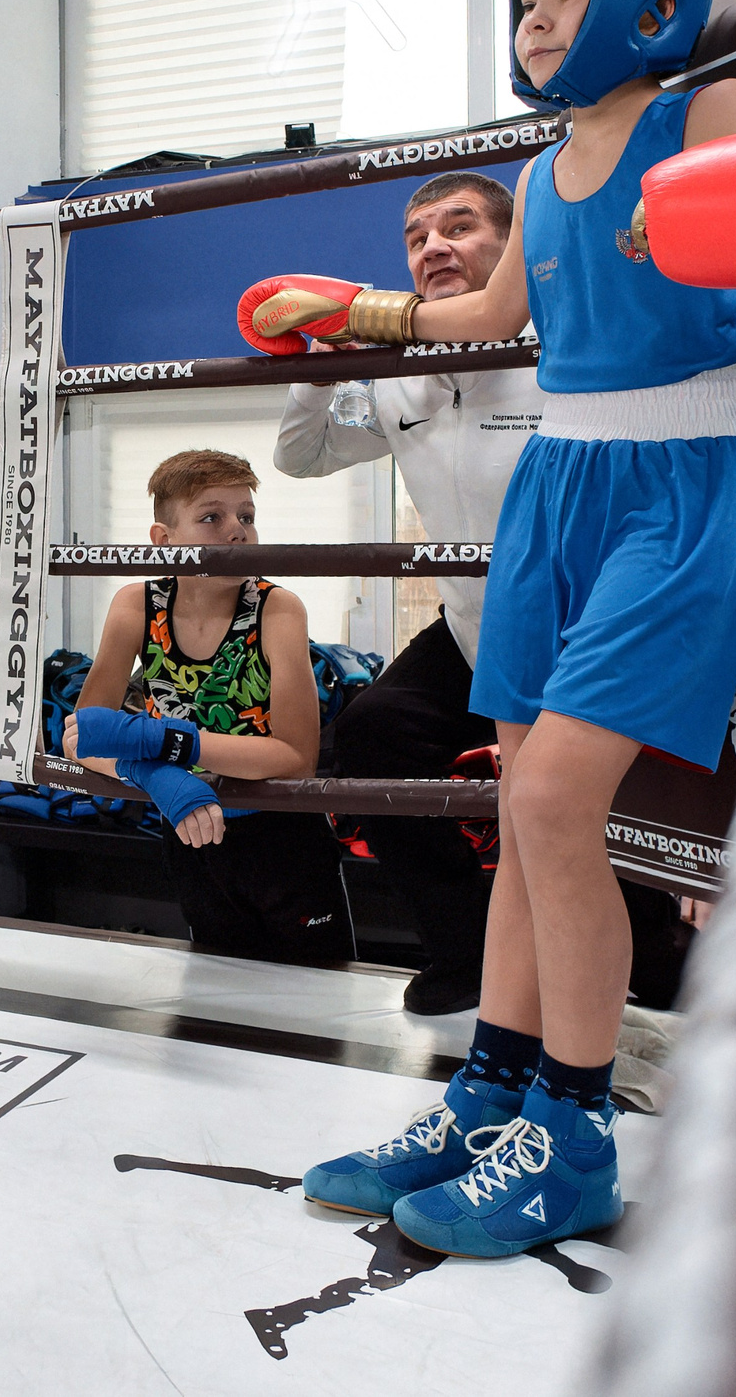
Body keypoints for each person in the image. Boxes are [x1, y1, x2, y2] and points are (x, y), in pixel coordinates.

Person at [303, 0, 736, 1254]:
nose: (541, 22)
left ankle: (574, 1133)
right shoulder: (534, 169)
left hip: (679, 479)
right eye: (526, 2)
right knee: (522, 799)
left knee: (562, 799)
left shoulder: (711, 113)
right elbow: (503, 308)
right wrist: (356, 307)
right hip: (556, 482)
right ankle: (489, 1093)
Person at [276, 171, 539, 1011]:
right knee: (374, 735)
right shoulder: (400, 374)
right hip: (470, 625)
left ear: (513, 245)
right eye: (418, 235)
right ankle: (468, 951)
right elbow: (302, 456)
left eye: (460, 227)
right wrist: (324, 361)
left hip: (574, 621)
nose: (434, 246)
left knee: (584, 795)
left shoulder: (561, 344)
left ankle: (628, 977)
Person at [61, 450, 338, 962]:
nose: (237, 531)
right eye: (212, 517)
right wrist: (159, 777)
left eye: (247, 517)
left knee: (319, 995)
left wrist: (163, 745)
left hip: (282, 833)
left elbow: (296, 756)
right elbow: (82, 735)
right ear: (164, 540)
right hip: (189, 829)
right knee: (218, 992)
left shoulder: (276, 607)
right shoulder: (137, 604)